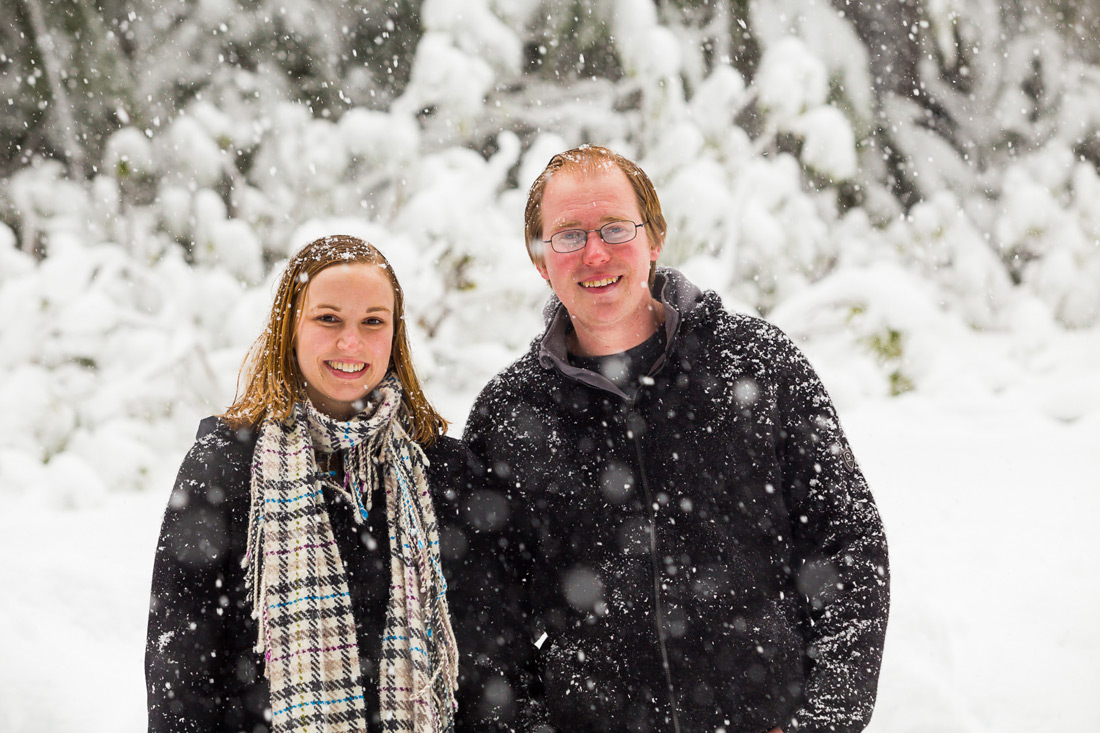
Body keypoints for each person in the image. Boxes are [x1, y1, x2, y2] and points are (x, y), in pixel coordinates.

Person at [463, 145, 890, 732]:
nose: (594, 253)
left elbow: (848, 547)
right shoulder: (509, 415)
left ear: (654, 238)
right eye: (567, 235)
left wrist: (823, 721)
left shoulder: (758, 366)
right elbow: (484, 620)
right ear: (541, 259)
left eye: (615, 228)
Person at [146, 235, 504, 732]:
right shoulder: (226, 465)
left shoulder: (439, 470)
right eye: (328, 318)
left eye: (372, 322)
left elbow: (487, 658)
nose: (350, 343)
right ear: (290, 327)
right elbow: (182, 668)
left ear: (394, 336)